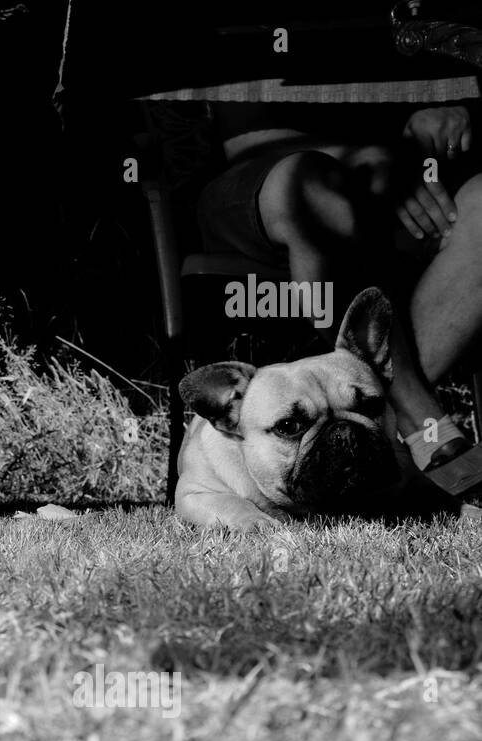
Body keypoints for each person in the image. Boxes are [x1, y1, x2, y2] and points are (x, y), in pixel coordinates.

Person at [197, 83, 482, 493]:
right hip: (268, 177)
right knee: (313, 183)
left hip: (407, 175)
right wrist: (378, 157)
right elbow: (251, 139)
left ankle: (367, 414)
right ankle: (428, 431)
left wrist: (454, 109)